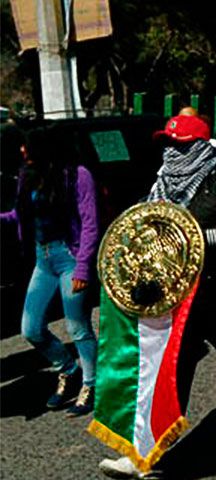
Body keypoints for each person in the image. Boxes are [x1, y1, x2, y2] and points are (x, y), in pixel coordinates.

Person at [99, 114, 216, 477]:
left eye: (179, 145)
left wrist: (192, 239)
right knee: (168, 366)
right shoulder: (164, 182)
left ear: (198, 147)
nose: (171, 152)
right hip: (178, 291)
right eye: (167, 144)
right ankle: (147, 450)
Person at [1, 126, 99, 416]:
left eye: (27, 146)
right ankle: (68, 369)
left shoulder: (78, 175)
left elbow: (90, 224)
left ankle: (92, 383)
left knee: (77, 326)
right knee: (30, 329)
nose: (22, 150)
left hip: (69, 257)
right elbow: (21, 214)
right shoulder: (29, 176)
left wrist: (83, 266)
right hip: (42, 259)